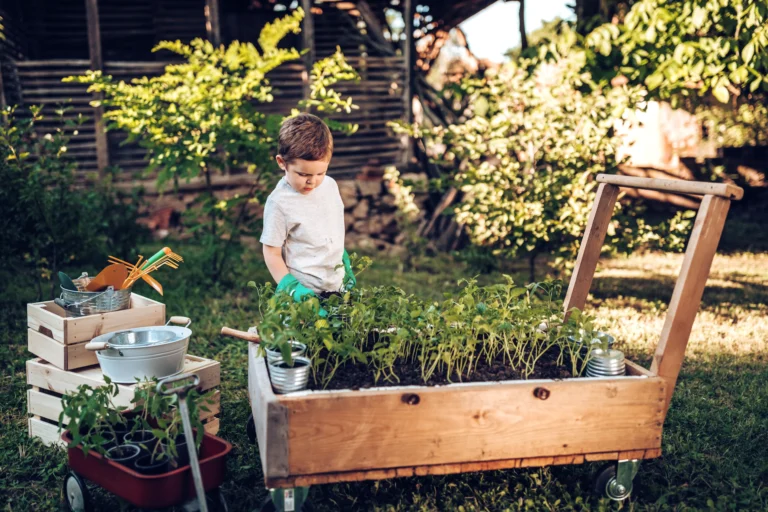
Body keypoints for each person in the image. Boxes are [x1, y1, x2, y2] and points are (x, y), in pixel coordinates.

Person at [260, 113, 356, 311]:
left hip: (337, 288)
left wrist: (344, 263)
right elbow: (271, 252)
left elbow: (332, 230)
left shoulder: (330, 186)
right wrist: (292, 289)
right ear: (281, 162)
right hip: (304, 295)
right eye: (303, 174)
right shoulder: (279, 203)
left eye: (320, 173)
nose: (312, 181)